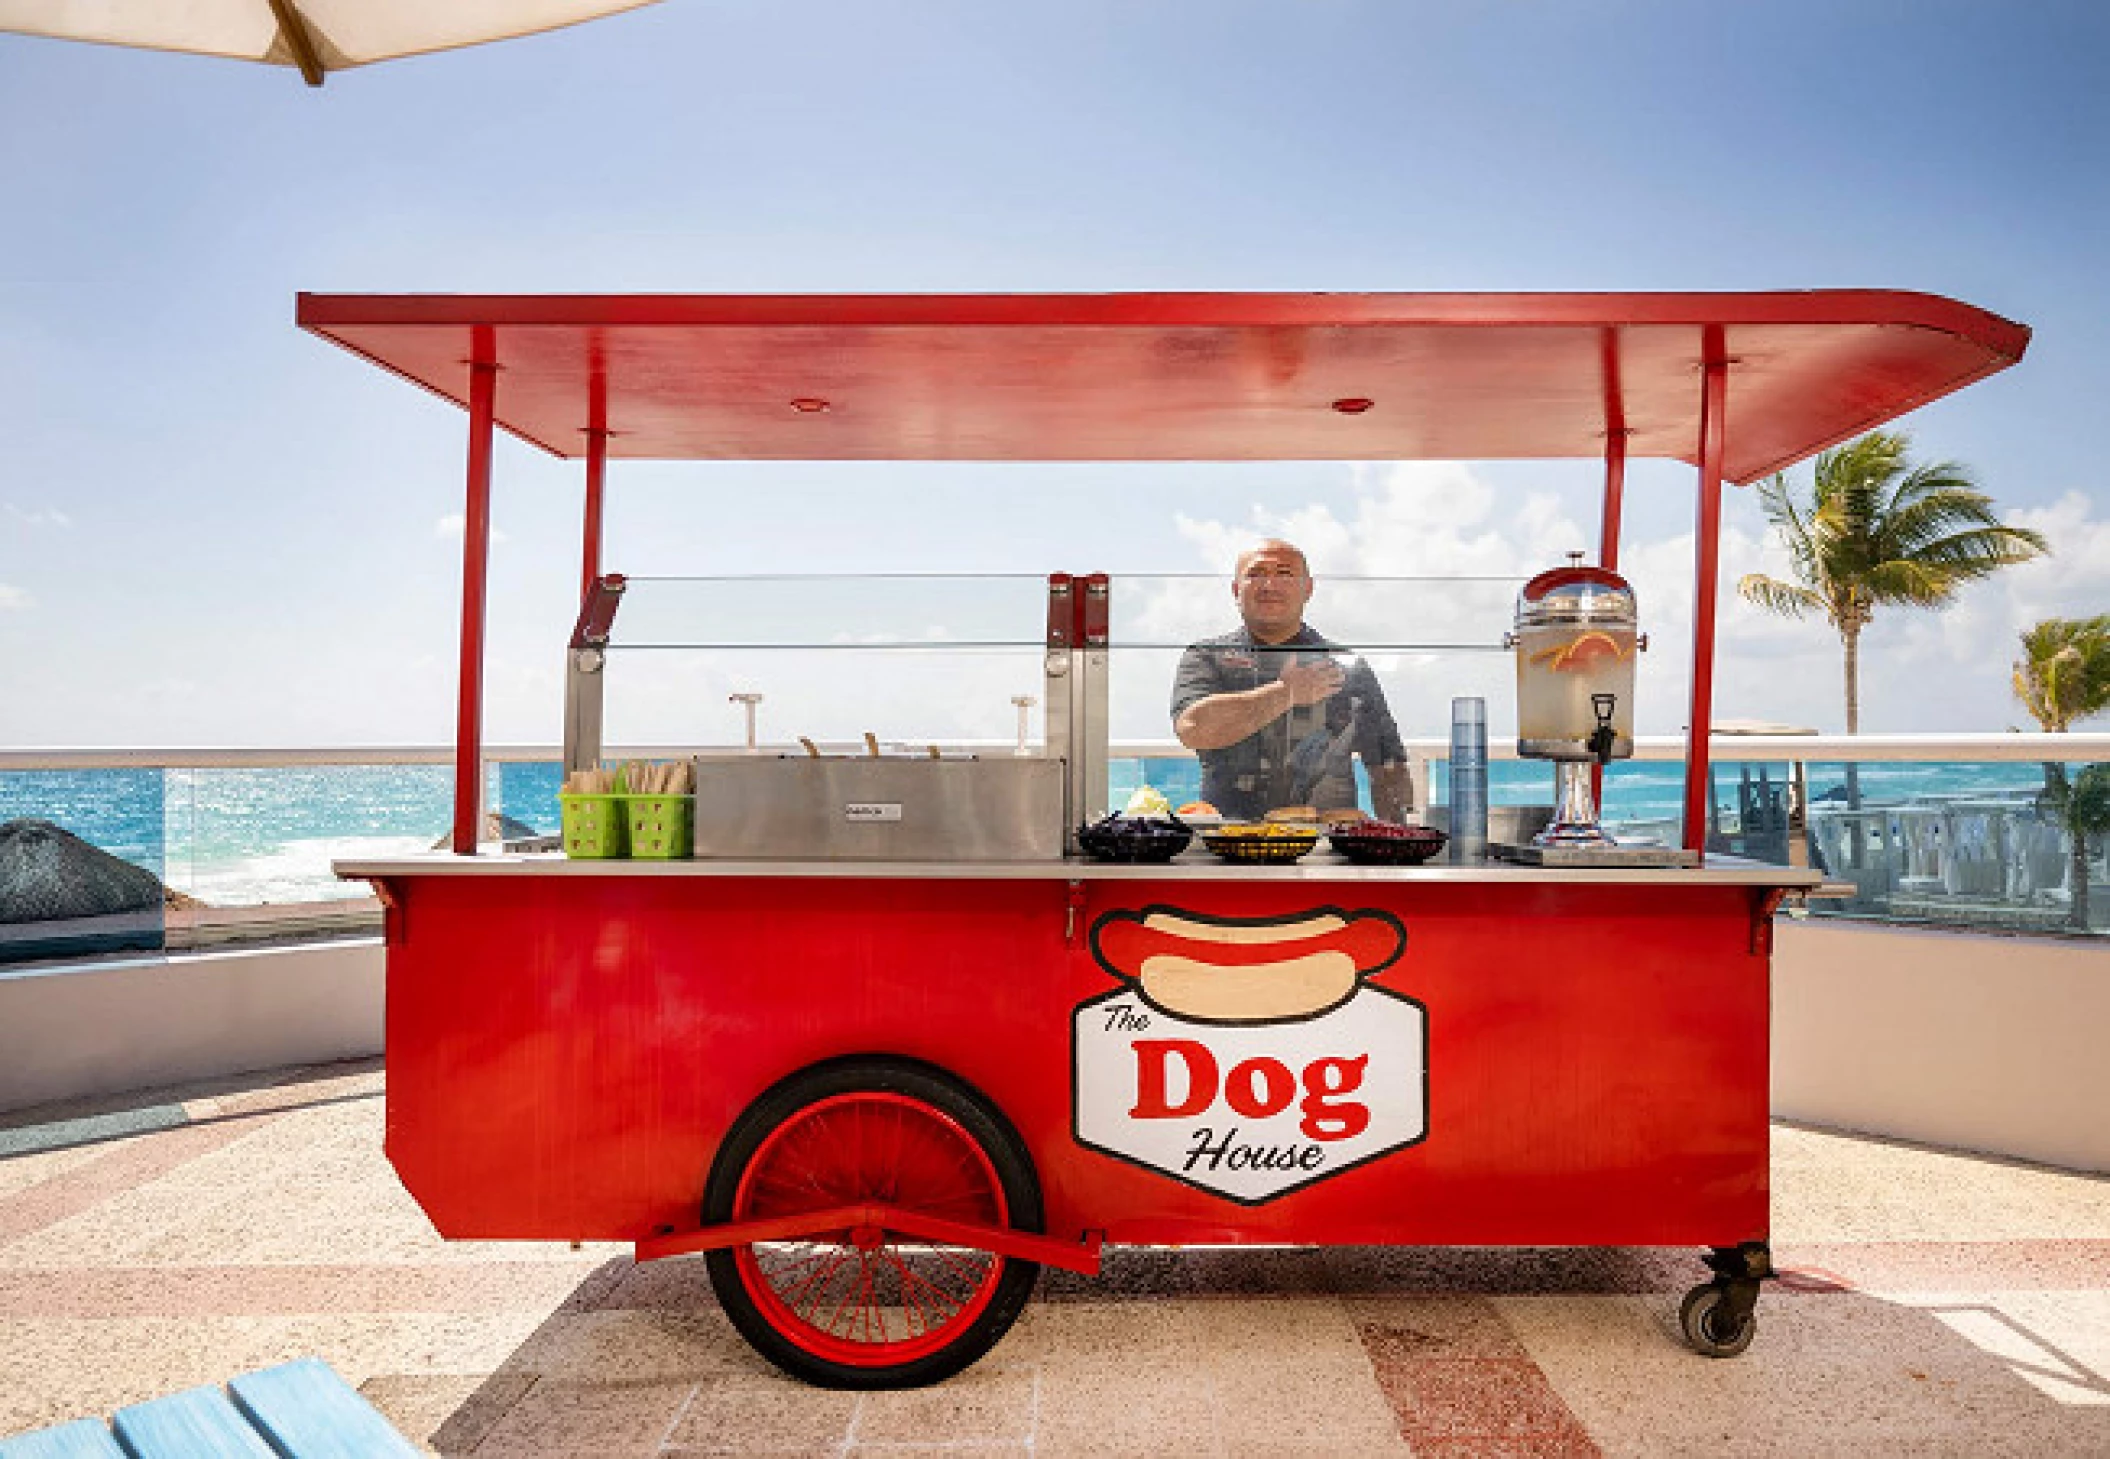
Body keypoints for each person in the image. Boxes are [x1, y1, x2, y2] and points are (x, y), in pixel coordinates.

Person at [1170, 539, 1412, 822]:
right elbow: (1192, 728)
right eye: (1256, 574)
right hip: (1229, 843)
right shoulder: (1207, 657)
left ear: (1307, 589)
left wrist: (1397, 843)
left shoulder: (1347, 666)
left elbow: (1387, 765)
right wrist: (1286, 693)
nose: (1269, 585)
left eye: (1284, 574)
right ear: (1236, 590)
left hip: (1326, 846)